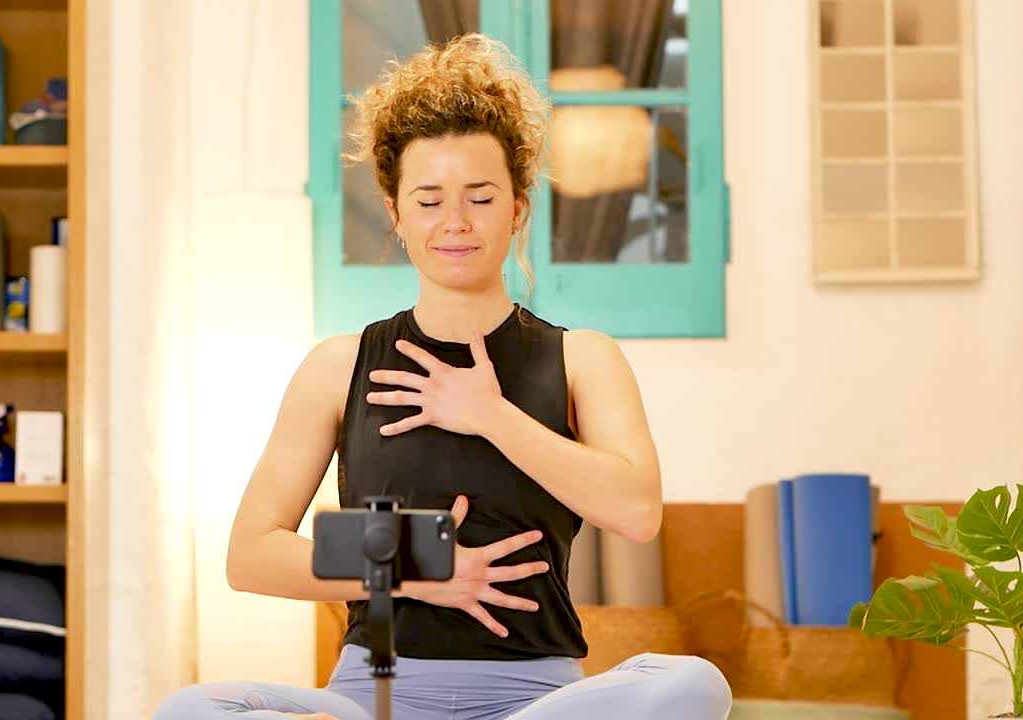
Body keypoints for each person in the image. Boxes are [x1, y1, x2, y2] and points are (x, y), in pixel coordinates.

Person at [153, 32, 732, 720]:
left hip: (535, 701)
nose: (455, 222)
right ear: (395, 214)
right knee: (190, 710)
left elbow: (637, 512)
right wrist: (412, 569)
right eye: (428, 201)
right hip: (378, 693)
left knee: (696, 682)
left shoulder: (582, 359)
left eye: (480, 198)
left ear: (517, 208)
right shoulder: (338, 366)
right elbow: (249, 555)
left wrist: (491, 414)